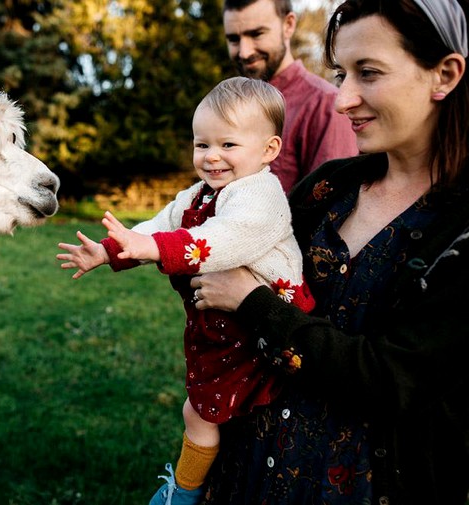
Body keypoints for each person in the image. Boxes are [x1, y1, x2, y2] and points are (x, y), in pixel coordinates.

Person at [191, 1, 469, 504]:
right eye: (341, 74)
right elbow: (232, 267)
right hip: (250, 469)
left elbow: (393, 380)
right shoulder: (328, 190)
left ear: (444, 74)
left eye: (368, 73)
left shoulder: (460, 231)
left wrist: (254, 303)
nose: (343, 99)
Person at [56, 77, 314, 505]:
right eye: (201, 145)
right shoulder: (197, 195)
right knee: (210, 409)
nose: (211, 157)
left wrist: (155, 248)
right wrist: (108, 252)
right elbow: (159, 225)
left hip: (267, 328)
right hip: (223, 327)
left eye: (228, 145)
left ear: (269, 150)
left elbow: (220, 240)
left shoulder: (261, 197)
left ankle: (186, 492)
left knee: (199, 411)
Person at [222, 0, 358, 192]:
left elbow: (330, 209)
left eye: (257, 34)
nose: (245, 52)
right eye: (234, 39)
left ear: (288, 25)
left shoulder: (325, 105)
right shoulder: (229, 106)